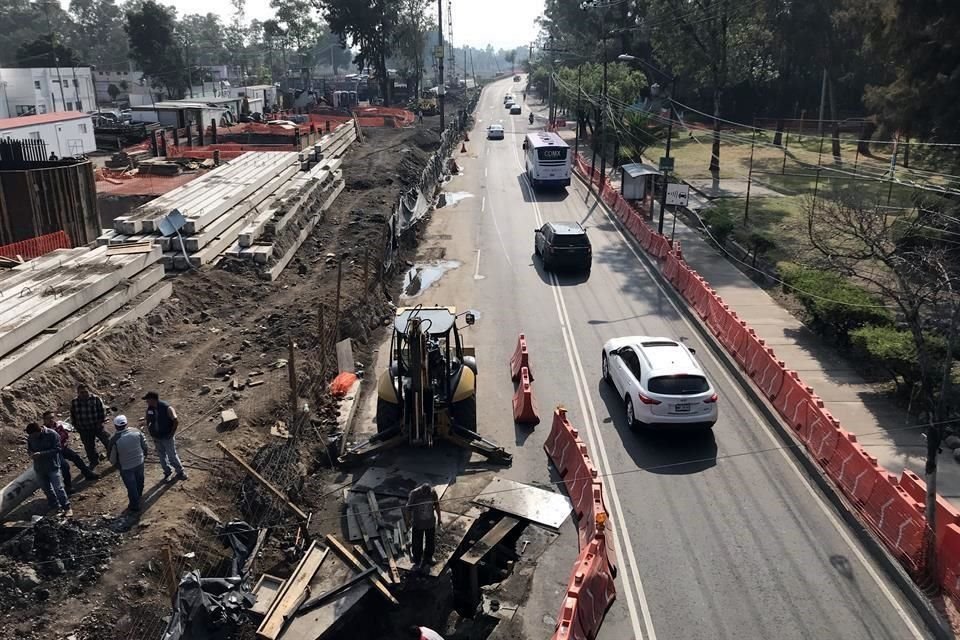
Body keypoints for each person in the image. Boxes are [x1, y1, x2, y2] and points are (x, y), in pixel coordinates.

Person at [43, 411, 98, 494]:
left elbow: (65, 435)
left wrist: (61, 439)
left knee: (76, 457)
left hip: (62, 447)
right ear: (44, 420)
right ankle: (68, 486)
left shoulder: (57, 426)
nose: (51, 420)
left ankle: (87, 474)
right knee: (65, 466)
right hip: (54, 452)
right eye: (48, 418)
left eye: (52, 418)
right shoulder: (44, 431)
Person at [25, 422, 71, 516]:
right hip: (39, 468)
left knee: (58, 488)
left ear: (39, 431)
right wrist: (31, 454)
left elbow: (58, 449)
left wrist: (41, 454)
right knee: (46, 489)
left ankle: (67, 508)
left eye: (34, 435)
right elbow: (29, 449)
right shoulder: (31, 437)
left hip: (52, 466)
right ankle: (55, 507)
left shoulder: (52, 434)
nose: (32, 437)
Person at [109, 415, 148, 513]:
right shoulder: (136, 431)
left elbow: (111, 457)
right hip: (139, 462)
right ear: (126, 423)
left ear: (116, 426)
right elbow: (144, 445)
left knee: (131, 486)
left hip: (126, 466)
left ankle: (135, 505)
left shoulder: (114, 439)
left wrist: (116, 465)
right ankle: (139, 496)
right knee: (140, 480)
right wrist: (144, 455)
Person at [144, 391, 187, 481]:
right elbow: (148, 419)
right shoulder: (150, 409)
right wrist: (150, 430)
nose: (146, 402)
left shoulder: (167, 408)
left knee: (172, 455)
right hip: (156, 436)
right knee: (161, 456)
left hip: (166, 436)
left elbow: (175, 420)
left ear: (152, 399)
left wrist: (171, 434)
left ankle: (180, 472)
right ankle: (167, 472)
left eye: (147, 400)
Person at [70, 383, 111, 468]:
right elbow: (73, 415)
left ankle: (114, 456)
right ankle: (94, 462)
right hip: (84, 429)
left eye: (85, 392)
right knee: (89, 447)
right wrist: (77, 427)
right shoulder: (74, 402)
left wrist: (100, 422)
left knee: (107, 441)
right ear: (78, 393)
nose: (84, 394)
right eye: (81, 392)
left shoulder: (95, 399)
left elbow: (102, 411)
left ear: (89, 391)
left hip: (97, 427)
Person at [404, 482, 441, 571]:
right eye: (424, 494)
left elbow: (437, 505)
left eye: (427, 494)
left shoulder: (433, 492)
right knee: (417, 542)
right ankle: (417, 558)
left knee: (430, 541)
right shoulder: (414, 494)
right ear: (421, 491)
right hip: (418, 523)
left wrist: (439, 518)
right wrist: (407, 521)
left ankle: (429, 557)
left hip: (430, 522)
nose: (426, 495)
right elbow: (408, 508)